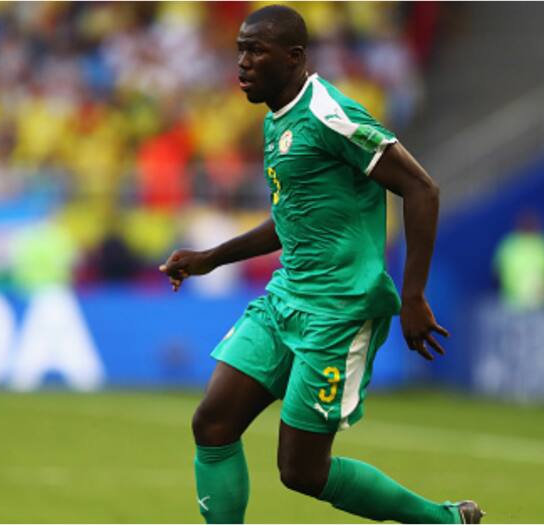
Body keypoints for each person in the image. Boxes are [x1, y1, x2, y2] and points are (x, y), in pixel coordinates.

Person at [159, 5, 482, 524]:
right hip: (286, 298)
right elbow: (292, 216)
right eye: (239, 49)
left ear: (294, 57)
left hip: (337, 311)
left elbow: (421, 188)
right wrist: (210, 259)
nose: (242, 62)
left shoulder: (332, 115)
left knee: (302, 472)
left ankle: (444, 520)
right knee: (213, 423)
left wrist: (414, 296)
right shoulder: (277, 119)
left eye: (255, 51)